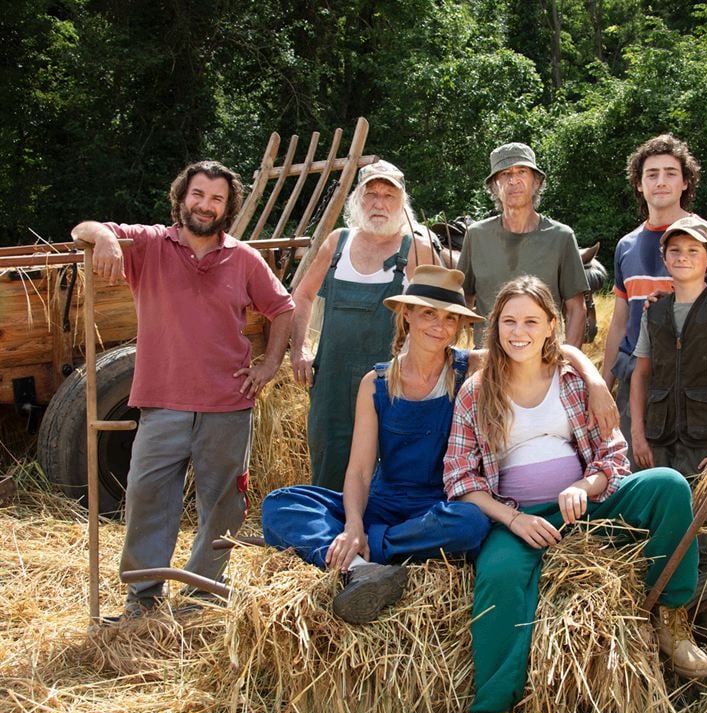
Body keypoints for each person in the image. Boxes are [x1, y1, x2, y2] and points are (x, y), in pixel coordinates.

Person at [263, 267, 617, 624]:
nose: (439, 325)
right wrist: (354, 522)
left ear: (459, 326)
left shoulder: (472, 366)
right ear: (407, 315)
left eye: (450, 318)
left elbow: (554, 348)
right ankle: (359, 565)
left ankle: (372, 551)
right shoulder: (377, 382)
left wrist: (595, 379)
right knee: (281, 503)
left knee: (472, 524)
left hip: (440, 508)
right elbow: (358, 470)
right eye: (428, 313)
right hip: (384, 503)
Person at [444, 276, 707, 713]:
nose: (518, 332)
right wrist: (512, 521)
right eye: (509, 321)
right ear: (496, 326)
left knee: (667, 484)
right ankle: (494, 704)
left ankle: (671, 618)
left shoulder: (572, 379)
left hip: (585, 503)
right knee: (499, 578)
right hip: (520, 516)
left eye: (531, 320)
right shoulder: (477, 391)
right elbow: (458, 478)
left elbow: (613, 453)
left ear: (552, 324)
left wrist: (584, 486)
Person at [72, 160, 295, 619]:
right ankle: (143, 599)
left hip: (227, 404)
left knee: (222, 505)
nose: (205, 205)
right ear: (182, 197)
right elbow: (83, 228)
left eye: (217, 198)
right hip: (161, 401)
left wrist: (269, 364)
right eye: (198, 194)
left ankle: (201, 597)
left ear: (228, 206)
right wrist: (109, 237)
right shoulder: (150, 244)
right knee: (147, 497)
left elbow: (283, 308)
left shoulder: (244, 257)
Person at [289, 160, 440, 491]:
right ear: (357, 198)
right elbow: (301, 296)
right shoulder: (337, 243)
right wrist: (298, 351)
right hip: (330, 382)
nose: (379, 203)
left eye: (389, 195)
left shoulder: (416, 248)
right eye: (371, 194)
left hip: (390, 383)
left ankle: (373, 538)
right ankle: (326, 538)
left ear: (403, 202)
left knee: (386, 473)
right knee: (328, 466)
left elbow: (440, 316)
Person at [601, 134, 707, 468]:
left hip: (697, 382)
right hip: (638, 376)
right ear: (638, 184)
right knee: (635, 477)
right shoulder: (626, 246)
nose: (660, 182)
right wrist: (603, 384)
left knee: (699, 487)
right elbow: (620, 321)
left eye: (670, 173)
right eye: (651, 174)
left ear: (685, 182)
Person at [628, 215, 707, 481]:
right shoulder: (653, 311)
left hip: (706, 442)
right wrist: (638, 436)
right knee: (656, 518)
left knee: (706, 519)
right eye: (674, 250)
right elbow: (640, 374)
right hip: (658, 441)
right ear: (664, 258)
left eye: (693, 250)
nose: (682, 257)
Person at [458, 143, 590, 348]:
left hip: (542, 363)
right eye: (504, 174)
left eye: (522, 171)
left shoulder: (560, 237)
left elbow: (577, 309)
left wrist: (566, 365)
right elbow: (462, 298)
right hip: (489, 361)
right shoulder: (476, 236)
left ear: (536, 182)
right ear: (493, 186)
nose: (513, 180)